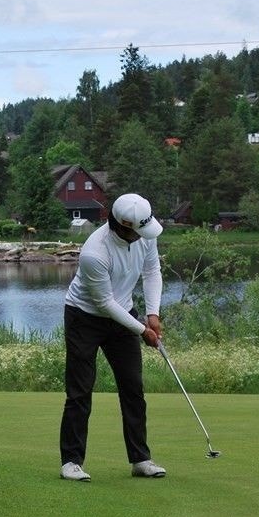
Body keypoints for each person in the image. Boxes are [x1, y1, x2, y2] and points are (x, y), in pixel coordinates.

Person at [59, 193, 166, 482]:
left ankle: (140, 460)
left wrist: (153, 314)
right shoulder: (95, 252)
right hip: (85, 316)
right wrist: (142, 329)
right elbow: (104, 303)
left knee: (133, 388)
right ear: (121, 225)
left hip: (125, 314)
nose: (144, 235)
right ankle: (71, 461)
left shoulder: (146, 233)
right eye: (138, 231)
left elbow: (152, 271)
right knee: (80, 390)